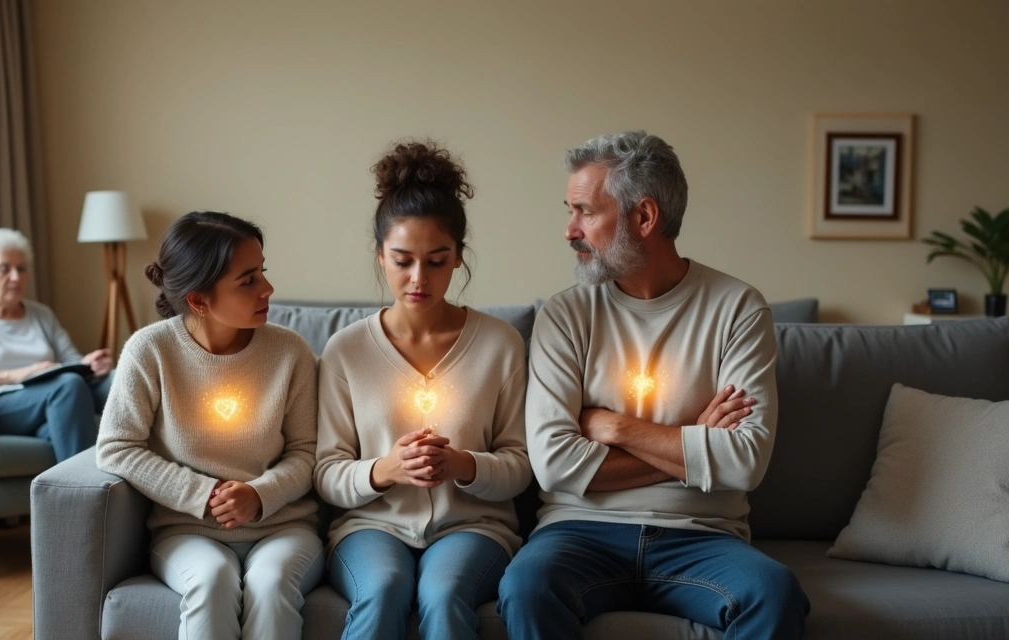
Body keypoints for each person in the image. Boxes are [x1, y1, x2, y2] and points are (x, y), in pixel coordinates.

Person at [496, 131, 810, 639]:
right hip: (578, 533)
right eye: (570, 210)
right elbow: (553, 465)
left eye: (585, 212)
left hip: (704, 537)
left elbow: (745, 462)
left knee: (774, 593)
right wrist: (693, 440)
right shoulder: (566, 314)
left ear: (644, 218)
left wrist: (614, 427)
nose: (569, 230)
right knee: (527, 587)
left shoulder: (737, 309)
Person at [315, 141, 531, 640]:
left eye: (436, 261)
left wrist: (463, 465)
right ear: (380, 258)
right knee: (385, 586)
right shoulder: (346, 350)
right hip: (370, 528)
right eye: (402, 260)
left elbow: (521, 464)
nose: (418, 278)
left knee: (444, 592)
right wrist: (385, 470)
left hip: (474, 527)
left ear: (458, 258)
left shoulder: (499, 344)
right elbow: (326, 472)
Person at [96, 212, 323, 640]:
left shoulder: (290, 351)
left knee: (271, 584)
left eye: (263, 272)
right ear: (200, 300)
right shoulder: (150, 351)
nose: (268, 289)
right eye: (248, 279)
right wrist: (205, 495)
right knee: (212, 579)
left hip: (284, 527)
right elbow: (117, 446)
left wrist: (260, 494)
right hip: (186, 530)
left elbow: (307, 451)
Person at [0, 227, 111, 463]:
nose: (16, 277)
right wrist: (17, 375)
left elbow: (71, 361)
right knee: (68, 385)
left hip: (50, 403)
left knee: (62, 421)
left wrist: (89, 365)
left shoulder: (41, 314)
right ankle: (89, 494)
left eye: (21, 269)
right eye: (4, 269)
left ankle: (71, 494)